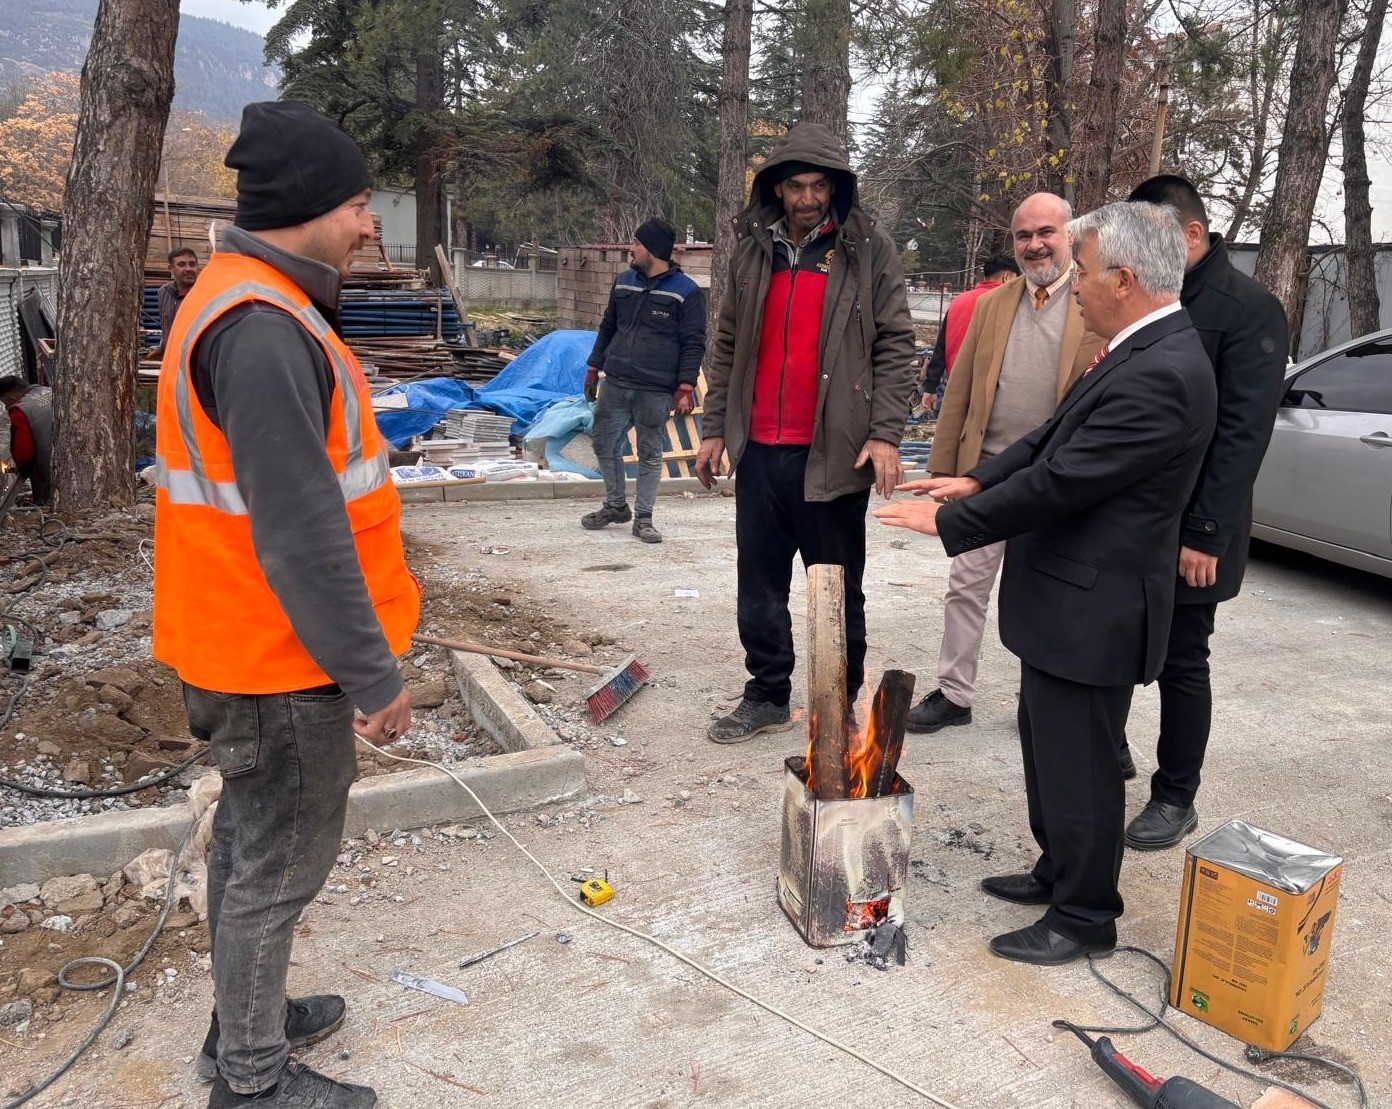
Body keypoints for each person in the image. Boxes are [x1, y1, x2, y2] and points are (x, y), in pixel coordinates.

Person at [152, 101, 420, 1109]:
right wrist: (374, 675)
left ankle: (241, 1023)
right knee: (277, 862)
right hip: (277, 655)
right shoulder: (262, 330)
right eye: (358, 204)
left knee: (249, 843)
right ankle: (252, 1081)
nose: (368, 225)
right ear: (309, 207)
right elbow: (303, 533)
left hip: (241, 636)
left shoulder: (243, 299)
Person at [875, 202, 1217, 964]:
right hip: (1068, 601)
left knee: (1083, 767)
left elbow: (1065, 480)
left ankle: (1086, 914)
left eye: (1084, 271)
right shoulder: (1134, 346)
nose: (1075, 285)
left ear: (1124, 280)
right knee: (1050, 748)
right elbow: (1049, 438)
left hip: (1096, 607)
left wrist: (957, 522)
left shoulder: (1164, 370)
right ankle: (1059, 867)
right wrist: (978, 479)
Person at [696, 121, 916, 743]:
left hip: (834, 456)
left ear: (836, 187)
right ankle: (767, 694)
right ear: (777, 187)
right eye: (797, 186)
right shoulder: (752, 250)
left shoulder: (867, 250)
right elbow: (727, 343)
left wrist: (885, 433)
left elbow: (897, 344)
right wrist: (715, 429)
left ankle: (837, 700)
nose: (809, 198)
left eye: (821, 186)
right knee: (759, 586)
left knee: (836, 589)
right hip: (760, 452)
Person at [1119, 175, 1290, 849]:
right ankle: (1110, 750)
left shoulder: (1248, 309)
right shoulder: (1147, 296)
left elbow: (1244, 435)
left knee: (1183, 658)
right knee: (1115, 637)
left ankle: (1175, 794)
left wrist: (1206, 532)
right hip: (1130, 515)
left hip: (1193, 527)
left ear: (1193, 234)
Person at [907, 193, 1103, 735]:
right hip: (985, 476)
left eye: (1046, 233)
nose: (1034, 245)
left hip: (1056, 480)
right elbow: (960, 388)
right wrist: (946, 469)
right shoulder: (993, 305)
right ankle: (954, 694)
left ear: (1069, 236)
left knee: (1049, 594)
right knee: (966, 587)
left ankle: (1038, 699)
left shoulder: (1094, 301)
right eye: (1023, 236)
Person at [582, 217, 706, 543]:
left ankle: (644, 518)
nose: (631, 248)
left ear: (652, 249)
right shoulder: (624, 282)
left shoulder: (686, 292)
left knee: (650, 451)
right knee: (603, 443)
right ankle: (615, 505)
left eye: (637, 243)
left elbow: (693, 343)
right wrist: (594, 368)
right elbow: (608, 327)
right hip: (616, 382)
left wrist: (685, 386)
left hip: (655, 388)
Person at [920, 254, 1020, 415]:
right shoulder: (1008, 304)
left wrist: (930, 387)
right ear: (1007, 277)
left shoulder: (958, 301)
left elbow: (941, 348)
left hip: (956, 389)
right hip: (994, 395)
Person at [0, 375, 53, 505]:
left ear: (11, 396)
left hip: (51, 472)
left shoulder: (20, 410)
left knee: (46, 503)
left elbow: (24, 455)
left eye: (4, 402)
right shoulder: (50, 391)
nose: (6, 407)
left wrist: (20, 467)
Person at [150, 246, 202, 357]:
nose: (188, 269)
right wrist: (161, 347)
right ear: (171, 269)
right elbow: (167, 329)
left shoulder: (206, 294)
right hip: (171, 360)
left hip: (196, 360)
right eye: (181, 264)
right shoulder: (164, 293)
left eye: (192, 264)